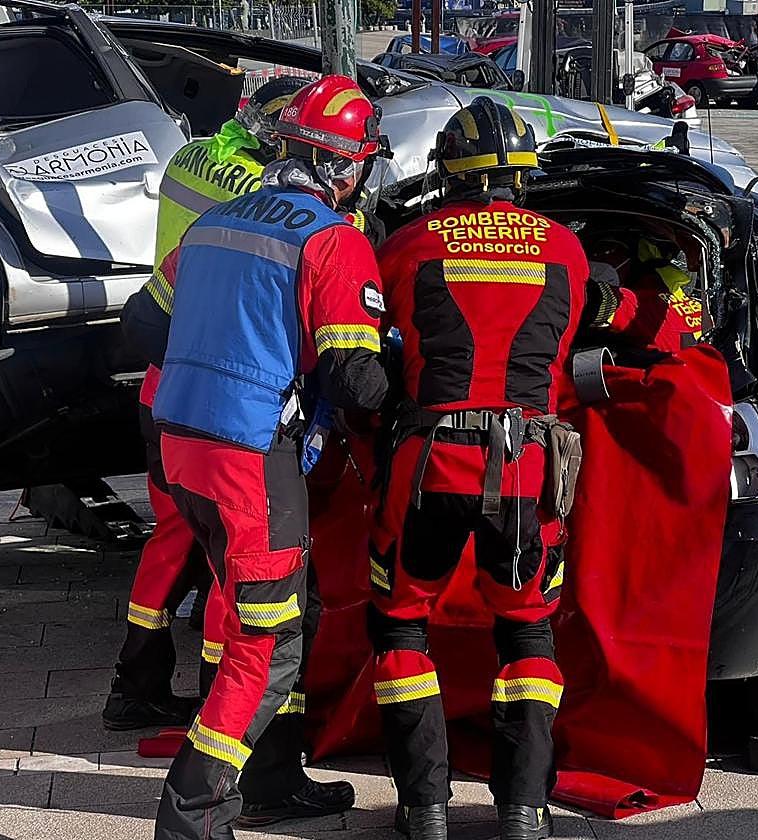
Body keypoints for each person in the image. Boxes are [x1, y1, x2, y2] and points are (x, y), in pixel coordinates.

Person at [150, 75, 390, 840]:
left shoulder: (214, 222)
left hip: (181, 447)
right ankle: (193, 815)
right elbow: (356, 380)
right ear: (347, 166)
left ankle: (273, 779)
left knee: (279, 609)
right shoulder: (332, 240)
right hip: (249, 458)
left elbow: (136, 325)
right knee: (269, 646)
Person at [369, 96, 587, 840]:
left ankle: (424, 809)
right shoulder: (565, 247)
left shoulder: (407, 242)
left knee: (400, 624)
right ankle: (523, 811)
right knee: (527, 636)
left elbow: (377, 347)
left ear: (449, 172)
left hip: (428, 462)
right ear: (521, 174)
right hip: (530, 471)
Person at [106, 75, 309, 733]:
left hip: (163, 376)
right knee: (233, 560)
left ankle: (137, 682)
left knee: (174, 539)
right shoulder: (257, 194)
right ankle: (221, 703)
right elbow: (305, 220)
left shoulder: (192, 157)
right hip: (218, 389)